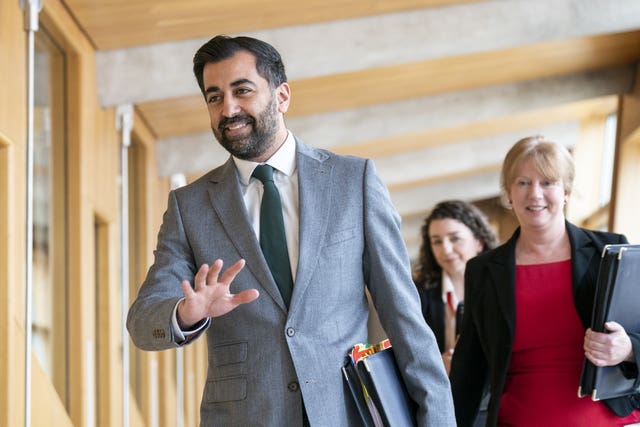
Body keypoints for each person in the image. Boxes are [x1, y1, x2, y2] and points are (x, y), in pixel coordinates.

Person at [127, 35, 456, 426]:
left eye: (242, 90)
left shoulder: (353, 181)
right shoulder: (190, 206)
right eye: (214, 97)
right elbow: (143, 321)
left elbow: (405, 317)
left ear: (282, 96)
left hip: (346, 413)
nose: (228, 108)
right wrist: (187, 313)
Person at [449, 135, 640, 426]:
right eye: (523, 182)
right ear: (509, 193)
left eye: (547, 182)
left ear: (566, 190)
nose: (534, 194)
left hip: (610, 421)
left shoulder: (610, 253)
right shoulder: (484, 270)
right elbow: (469, 369)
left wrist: (628, 349)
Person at [414, 200, 498, 374]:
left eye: (455, 238)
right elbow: (411, 354)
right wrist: (438, 365)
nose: (445, 249)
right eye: (436, 241)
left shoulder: (500, 288)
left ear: (479, 242)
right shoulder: (418, 295)